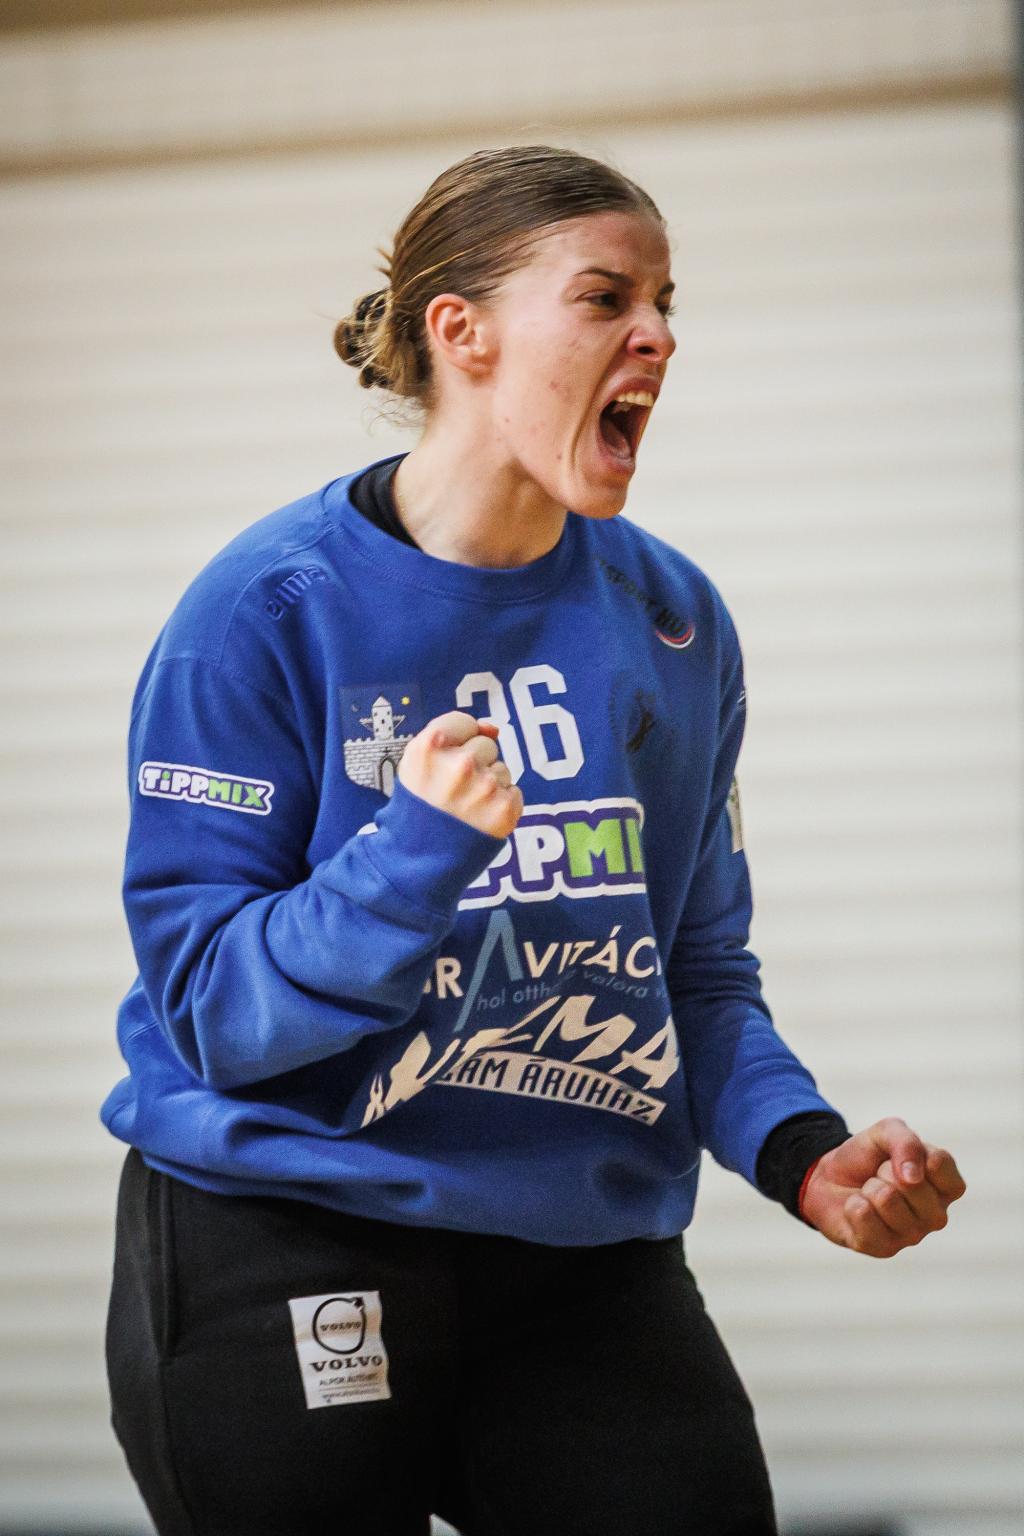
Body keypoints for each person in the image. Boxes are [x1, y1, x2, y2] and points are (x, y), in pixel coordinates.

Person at [101, 145, 966, 1536]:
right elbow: (212, 1010)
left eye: (668, 302)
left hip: (577, 1248)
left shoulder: (673, 620)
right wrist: (413, 856)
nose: (658, 334)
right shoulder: (264, 611)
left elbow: (695, 974)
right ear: (465, 333)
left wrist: (802, 1151)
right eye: (607, 297)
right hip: (289, 1223)